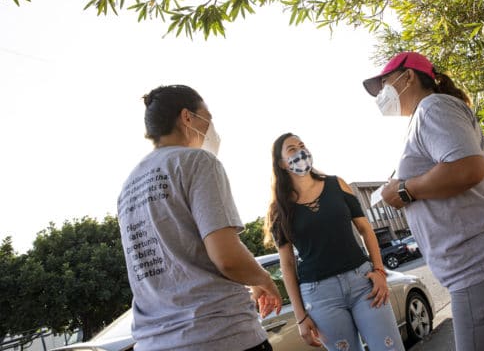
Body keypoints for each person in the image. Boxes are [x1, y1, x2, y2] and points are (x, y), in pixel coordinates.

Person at [362, 52, 484, 351]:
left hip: (483, 271)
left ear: (408, 77)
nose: (381, 93)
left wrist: (404, 190)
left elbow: (467, 168)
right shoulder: (429, 113)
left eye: (384, 83)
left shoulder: (433, 107)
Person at [117, 85, 282, 351]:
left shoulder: (128, 186)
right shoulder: (198, 162)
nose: (211, 127)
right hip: (219, 335)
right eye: (208, 117)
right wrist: (262, 278)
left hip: (153, 343)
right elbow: (227, 258)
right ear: (187, 117)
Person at [263, 133, 405, 351]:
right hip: (320, 297)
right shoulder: (279, 210)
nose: (300, 151)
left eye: (302, 145)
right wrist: (301, 318)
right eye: (291, 149)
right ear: (281, 164)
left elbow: (366, 230)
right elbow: (288, 265)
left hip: (363, 283)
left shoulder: (337, 185)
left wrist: (379, 270)